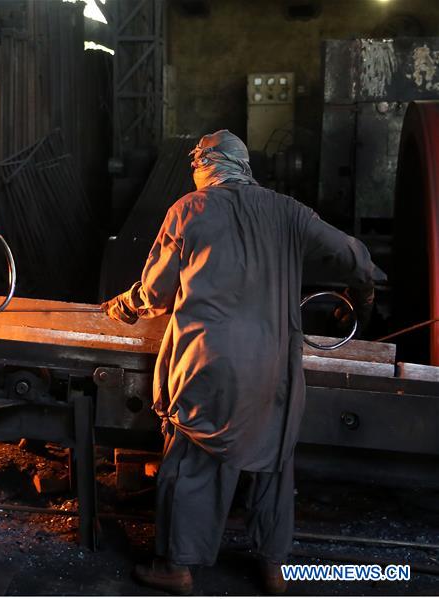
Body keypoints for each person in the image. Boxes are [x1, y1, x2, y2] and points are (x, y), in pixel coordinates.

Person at [101, 130, 379, 595]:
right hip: (275, 368)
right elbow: (353, 255)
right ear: (243, 166)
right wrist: (363, 292)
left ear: (206, 165)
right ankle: (274, 569)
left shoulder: (189, 210)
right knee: (273, 463)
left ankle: (179, 567)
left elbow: (155, 292)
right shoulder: (290, 212)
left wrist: (124, 306)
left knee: (192, 461)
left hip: (207, 365)